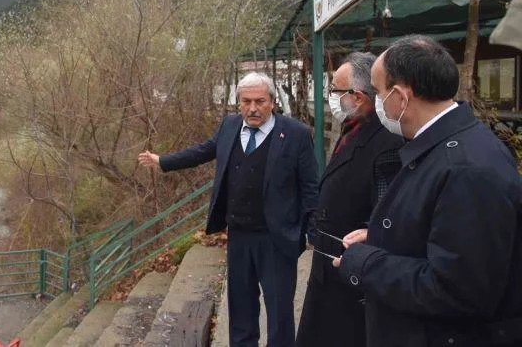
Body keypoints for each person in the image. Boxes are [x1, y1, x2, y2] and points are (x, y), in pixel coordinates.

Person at [333, 35, 522, 346]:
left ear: (401, 96)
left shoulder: (466, 168)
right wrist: (386, 236)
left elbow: (458, 289)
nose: (377, 102)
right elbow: (445, 230)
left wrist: (366, 264)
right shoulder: (439, 148)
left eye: (379, 92)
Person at [137, 72, 319, 347]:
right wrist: (163, 161)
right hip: (238, 236)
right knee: (241, 309)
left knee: (280, 313)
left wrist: (310, 233)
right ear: (239, 103)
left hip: (277, 238)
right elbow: (203, 151)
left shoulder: (295, 134)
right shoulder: (230, 126)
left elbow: (310, 188)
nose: (252, 108)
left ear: (272, 102)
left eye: (259, 101)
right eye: (246, 102)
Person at [296, 52, 403, 347]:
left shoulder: (388, 144)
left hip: (351, 280)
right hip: (327, 271)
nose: (331, 96)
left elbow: (386, 214)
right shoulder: (353, 130)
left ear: (357, 97)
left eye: (335, 90)